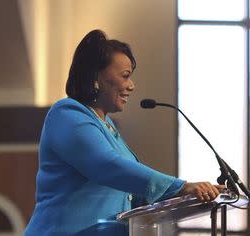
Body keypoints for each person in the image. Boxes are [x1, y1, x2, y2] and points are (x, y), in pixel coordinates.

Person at [24, 29, 224, 235]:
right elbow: (106, 165)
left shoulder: (108, 126)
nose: (131, 86)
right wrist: (180, 187)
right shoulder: (66, 114)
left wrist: (191, 198)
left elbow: (132, 194)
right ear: (96, 77)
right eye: (125, 76)